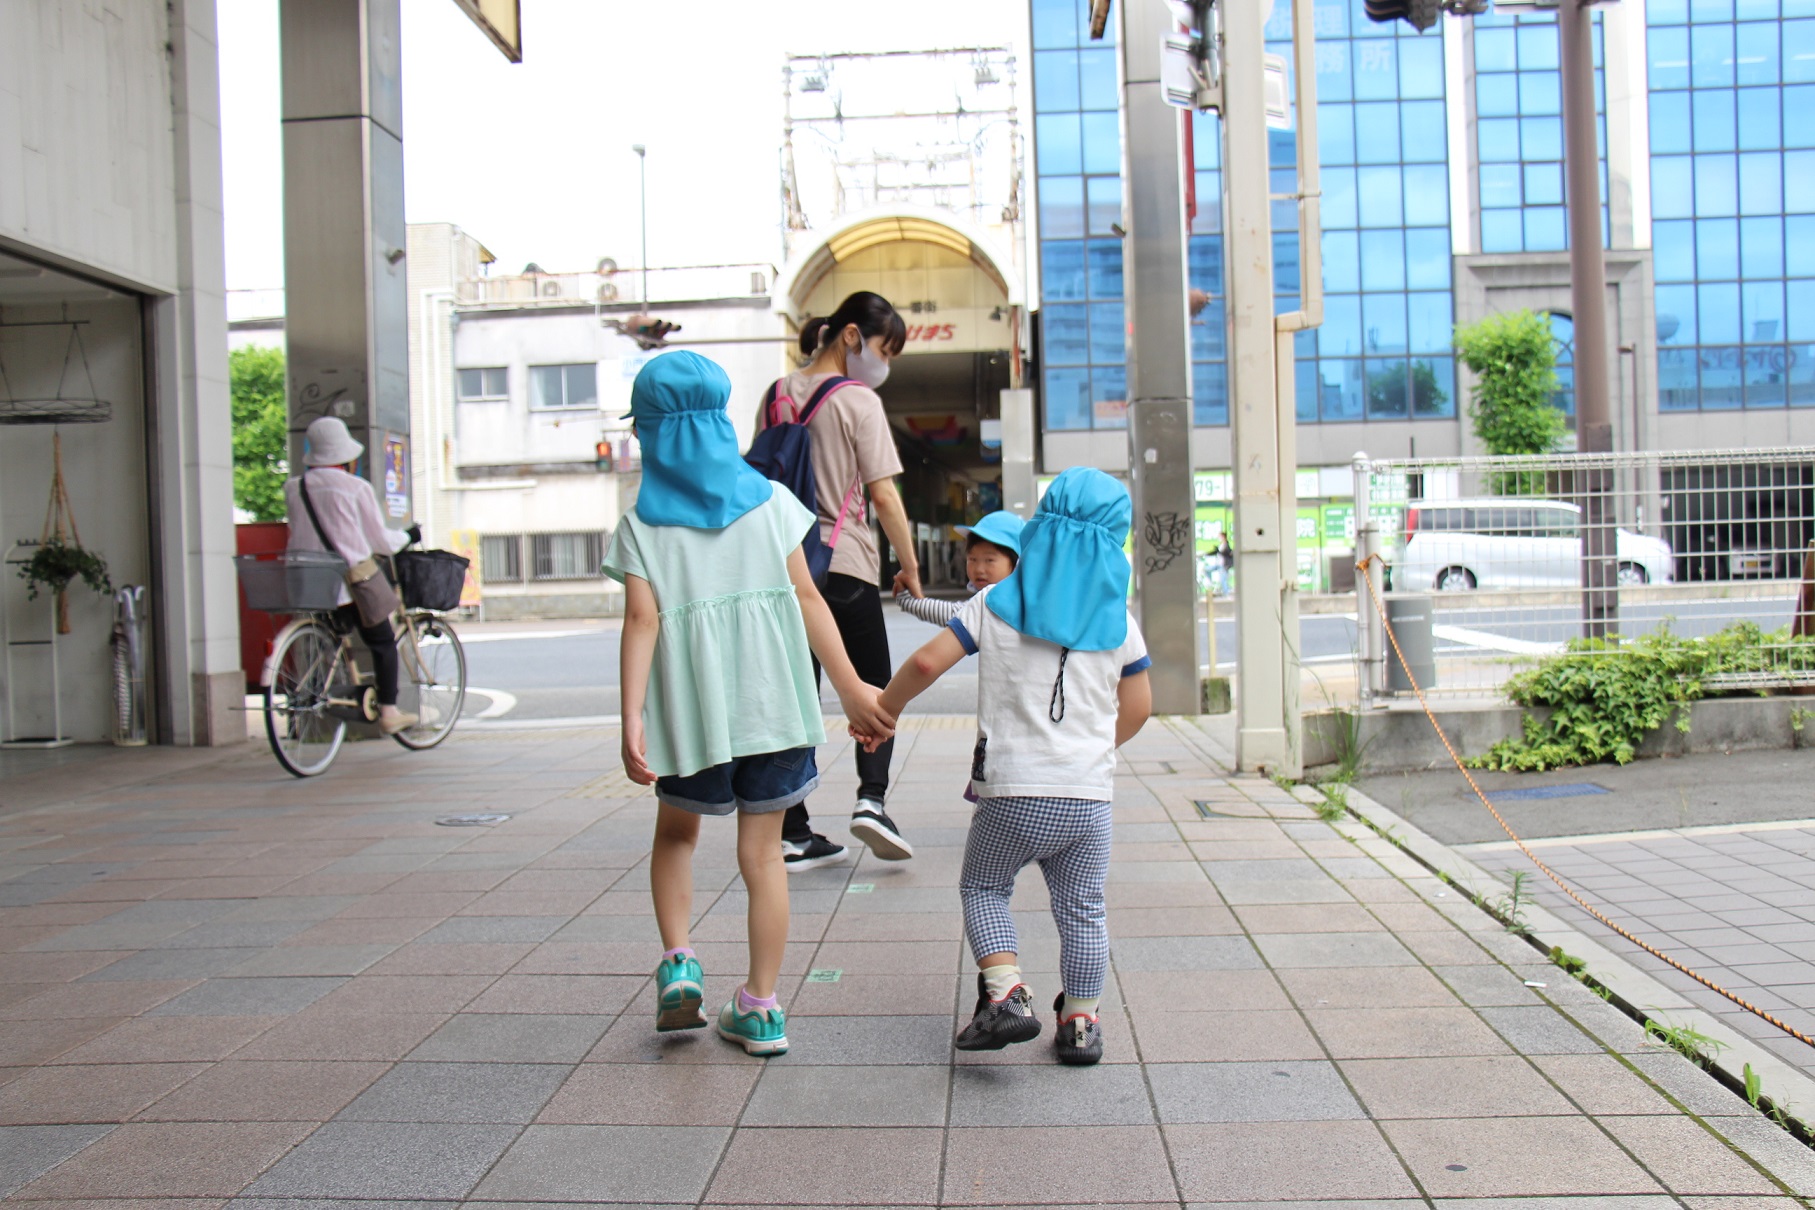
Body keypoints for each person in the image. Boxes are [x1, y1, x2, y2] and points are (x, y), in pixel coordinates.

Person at [605, 351, 894, 1058]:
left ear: (652, 434)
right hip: (773, 711)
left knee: (677, 836)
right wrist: (851, 687)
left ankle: (680, 963)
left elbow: (641, 622)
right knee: (763, 857)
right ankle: (761, 1008)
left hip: (692, 719)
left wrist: (632, 717)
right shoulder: (772, 503)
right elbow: (808, 599)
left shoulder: (641, 525)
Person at [861, 467, 1153, 1066]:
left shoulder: (996, 602)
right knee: (1084, 910)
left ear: (1040, 530)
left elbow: (925, 663)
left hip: (1012, 796)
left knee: (984, 886)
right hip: (1088, 800)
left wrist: (883, 710)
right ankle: (1081, 1023)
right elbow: (1140, 705)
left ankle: (1006, 991)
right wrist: (1093, 752)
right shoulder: (1119, 620)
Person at [758, 290, 922, 871]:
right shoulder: (857, 400)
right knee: (876, 685)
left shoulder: (775, 395)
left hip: (783, 567)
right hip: (845, 565)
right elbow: (884, 495)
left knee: (795, 697)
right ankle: (871, 801)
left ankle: (792, 830)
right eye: (884, 350)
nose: (884, 364)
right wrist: (910, 566)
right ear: (851, 336)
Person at [284, 416, 418, 736]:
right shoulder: (356, 487)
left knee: (333, 634)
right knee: (382, 640)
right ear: (345, 455)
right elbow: (380, 542)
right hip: (352, 581)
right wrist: (409, 536)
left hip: (309, 580)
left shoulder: (293, 487)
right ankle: (389, 711)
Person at [894, 510, 1024, 627]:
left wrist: (907, 600)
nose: (979, 569)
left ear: (1017, 564)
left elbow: (956, 614)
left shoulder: (1007, 602)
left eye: (989, 560)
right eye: (972, 559)